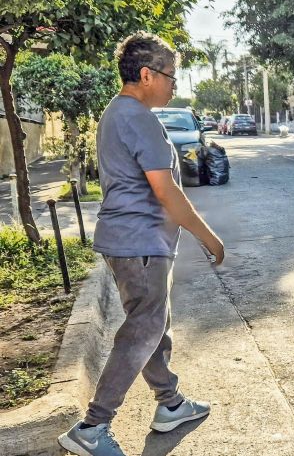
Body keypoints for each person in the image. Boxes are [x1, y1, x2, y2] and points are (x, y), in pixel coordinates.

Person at [58, 32, 225, 456]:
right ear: (147, 74)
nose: (175, 85)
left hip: (130, 242)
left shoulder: (118, 113)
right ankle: (92, 427)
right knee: (143, 329)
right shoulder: (137, 117)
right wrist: (209, 238)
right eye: (171, 75)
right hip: (141, 243)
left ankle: (169, 403)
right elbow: (167, 192)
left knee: (151, 325)